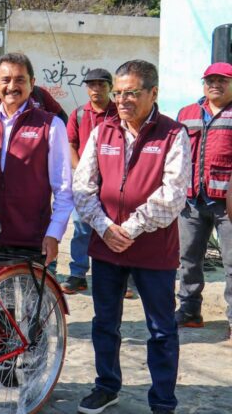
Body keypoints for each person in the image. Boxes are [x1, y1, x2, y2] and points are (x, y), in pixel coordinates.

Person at [73, 60, 190, 414]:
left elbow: (173, 195)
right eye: (119, 93)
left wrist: (130, 229)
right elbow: (83, 186)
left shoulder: (173, 133)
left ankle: (163, 401)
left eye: (132, 93)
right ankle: (107, 386)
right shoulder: (103, 130)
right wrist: (106, 228)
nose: (122, 100)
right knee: (105, 324)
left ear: (153, 93)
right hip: (106, 248)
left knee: (161, 329)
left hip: (153, 251)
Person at [0, 53, 73, 270]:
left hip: (32, 239)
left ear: (32, 83)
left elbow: (63, 187)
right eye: (5, 80)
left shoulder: (50, 125)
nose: (12, 86)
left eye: (20, 80)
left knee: (31, 304)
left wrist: (55, 233)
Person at [175, 62, 232, 334]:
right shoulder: (187, 113)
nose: (215, 85)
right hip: (192, 200)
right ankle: (189, 310)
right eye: (210, 80)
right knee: (188, 258)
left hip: (228, 204)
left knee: (231, 262)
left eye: (222, 80)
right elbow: (175, 154)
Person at [61, 68, 118, 294]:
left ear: (110, 87)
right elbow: (70, 145)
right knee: (82, 228)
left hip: (113, 181)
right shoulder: (78, 114)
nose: (96, 89)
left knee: (114, 227)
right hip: (85, 182)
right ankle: (78, 275)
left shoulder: (119, 113)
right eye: (92, 84)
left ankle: (118, 277)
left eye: (101, 85)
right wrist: (81, 172)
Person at [0, 83, 69, 124]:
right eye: (7, 80)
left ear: (31, 82)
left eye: (20, 79)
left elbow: (62, 116)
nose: (12, 85)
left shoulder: (39, 93)